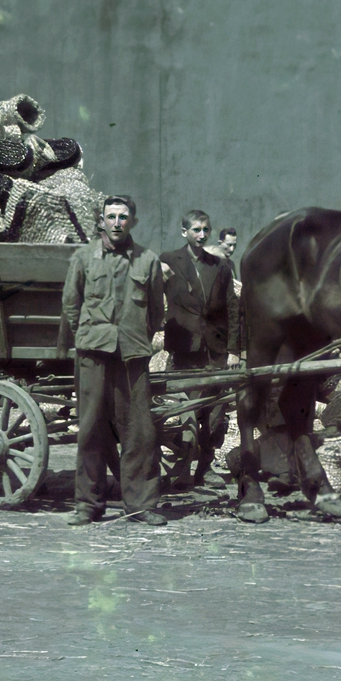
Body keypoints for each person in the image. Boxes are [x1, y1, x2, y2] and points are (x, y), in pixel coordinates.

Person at [60, 195, 168, 526]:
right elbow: (71, 305)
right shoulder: (83, 258)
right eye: (111, 216)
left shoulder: (147, 260)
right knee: (90, 427)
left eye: (123, 216)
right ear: (101, 221)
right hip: (93, 354)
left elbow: (155, 312)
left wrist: (134, 338)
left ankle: (140, 504)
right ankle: (88, 504)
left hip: (132, 356)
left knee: (139, 431)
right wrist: (89, 337)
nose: (117, 222)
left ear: (132, 221)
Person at [159, 210, 241, 488]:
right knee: (188, 415)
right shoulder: (168, 260)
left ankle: (205, 468)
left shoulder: (220, 265)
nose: (202, 235)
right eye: (196, 230)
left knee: (215, 416)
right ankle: (182, 469)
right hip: (186, 350)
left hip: (215, 351)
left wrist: (234, 350)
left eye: (206, 229)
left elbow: (232, 308)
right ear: (184, 232)